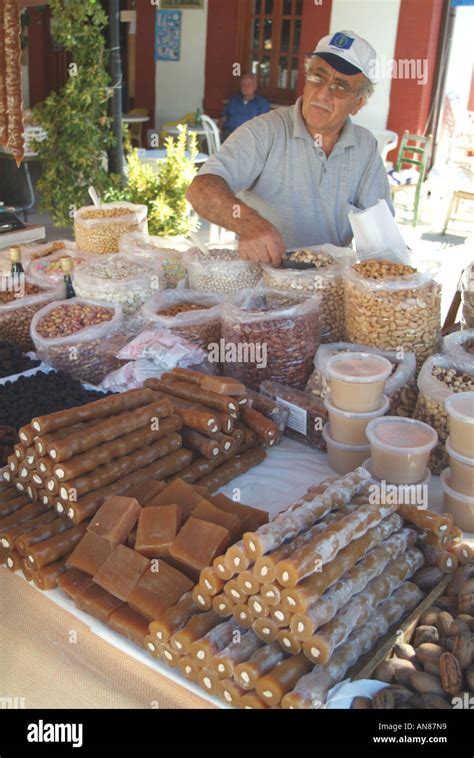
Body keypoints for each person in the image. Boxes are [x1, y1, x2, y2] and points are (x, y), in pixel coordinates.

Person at [187, 31, 393, 266]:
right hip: (261, 285)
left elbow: (381, 234)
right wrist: (248, 223)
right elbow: (201, 189)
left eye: (340, 86)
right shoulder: (265, 131)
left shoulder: (365, 148)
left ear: (358, 104)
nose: (323, 93)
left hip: (329, 287)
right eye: (318, 76)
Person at [220, 75, 270, 139]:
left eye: (249, 84)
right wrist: (218, 129)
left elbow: (263, 124)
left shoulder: (261, 103)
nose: (246, 87)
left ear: (255, 86)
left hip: (248, 137)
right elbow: (223, 118)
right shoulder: (234, 100)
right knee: (206, 144)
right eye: (243, 84)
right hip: (228, 134)